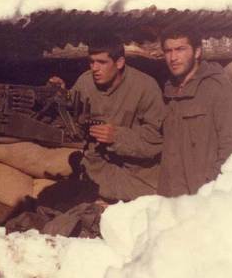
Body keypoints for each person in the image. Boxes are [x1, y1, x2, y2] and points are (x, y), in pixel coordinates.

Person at [51, 35, 166, 202]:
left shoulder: (145, 87)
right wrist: (62, 95)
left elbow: (157, 138)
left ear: (119, 63)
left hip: (136, 175)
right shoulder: (85, 82)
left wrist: (117, 137)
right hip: (97, 169)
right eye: (91, 62)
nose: (95, 68)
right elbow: (70, 113)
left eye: (102, 62)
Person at [158, 23, 232, 197]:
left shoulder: (217, 87)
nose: (173, 57)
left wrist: (210, 189)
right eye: (168, 51)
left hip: (202, 197)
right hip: (171, 197)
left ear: (197, 52)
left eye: (180, 49)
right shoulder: (170, 89)